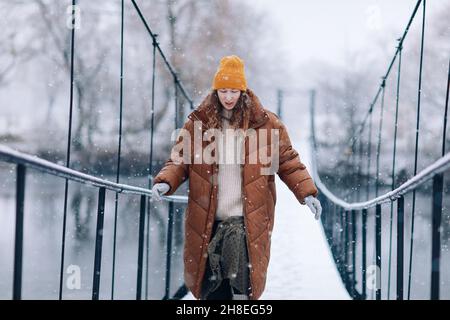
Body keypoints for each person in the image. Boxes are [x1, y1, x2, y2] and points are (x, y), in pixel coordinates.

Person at [151, 55, 322, 300]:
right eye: (223, 91)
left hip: (247, 223)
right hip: (208, 221)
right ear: (216, 91)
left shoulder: (267, 124)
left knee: (242, 292)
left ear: (243, 91)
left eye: (233, 91)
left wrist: (307, 194)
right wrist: (165, 181)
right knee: (213, 293)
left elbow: (288, 161)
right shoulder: (197, 124)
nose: (228, 97)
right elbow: (180, 160)